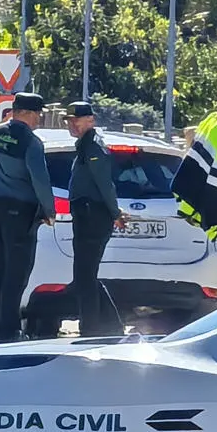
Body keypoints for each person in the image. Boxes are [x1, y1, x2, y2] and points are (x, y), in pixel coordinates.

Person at [0, 92, 54, 341]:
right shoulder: (30, 142)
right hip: (20, 211)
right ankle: (9, 331)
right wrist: (49, 210)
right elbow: (40, 179)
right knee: (17, 274)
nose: (39, 119)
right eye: (38, 114)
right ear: (27, 113)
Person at [66, 101, 124, 337]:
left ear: (90, 120)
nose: (71, 124)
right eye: (69, 120)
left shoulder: (93, 147)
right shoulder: (84, 145)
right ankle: (110, 325)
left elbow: (104, 183)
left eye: (76, 120)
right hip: (86, 214)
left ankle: (92, 327)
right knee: (84, 275)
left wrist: (115, 213)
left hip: (93, 215)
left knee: (84, 275)